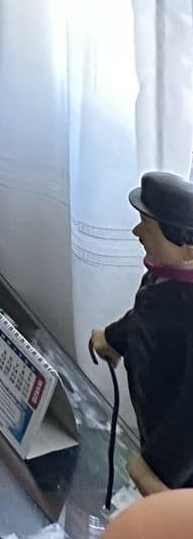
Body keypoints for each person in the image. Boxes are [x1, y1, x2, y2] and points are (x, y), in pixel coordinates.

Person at [90, 172, 193, 494]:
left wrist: (156, 469)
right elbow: (144, 317)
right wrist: (114, 337)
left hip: (180, 470)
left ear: (187, 249)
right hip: (153, 416)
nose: (137, 233)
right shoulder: (165, 279)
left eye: (147, 227)